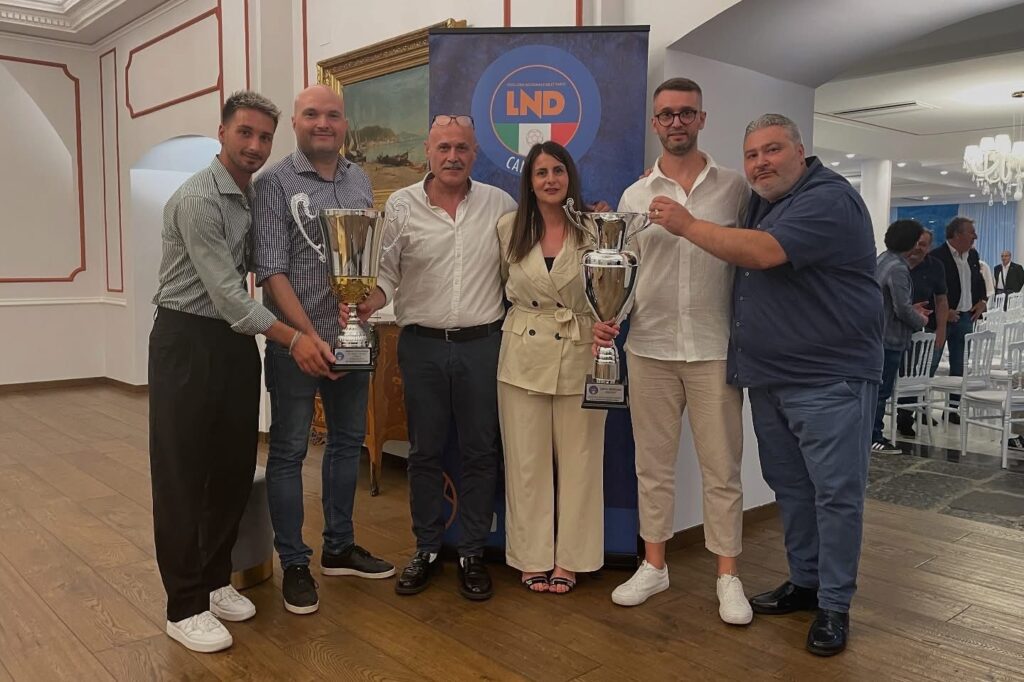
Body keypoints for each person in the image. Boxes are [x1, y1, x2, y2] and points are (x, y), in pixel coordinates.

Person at [636, 113, 882, 656]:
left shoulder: (828, 198)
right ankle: (807, 581)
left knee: (835, 495)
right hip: (770, 377)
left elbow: (764, 253)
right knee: (791, 487)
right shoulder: (763, 202)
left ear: (800, 150)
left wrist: (686, 224)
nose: (760, 163)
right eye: (751, 155)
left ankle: (834, 605)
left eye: (772, 150)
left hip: (828, 377)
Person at [149, 91, 328, 653]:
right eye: (245, 133)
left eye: (264, 137)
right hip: (186, 339)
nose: (255, 145)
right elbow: (230, 298)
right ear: (222, 132)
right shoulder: (200, 198)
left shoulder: (253, 196)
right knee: (183, 473)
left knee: (230, 468)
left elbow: (267, 268)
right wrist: (297, 337)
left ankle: (213, 579)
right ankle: (184, 606)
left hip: (233, 346)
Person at [592, 78, 752, 625]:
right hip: (650, 346)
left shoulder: (735, 189)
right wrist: (609, 316)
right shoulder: (635, 196)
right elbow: (627, 271)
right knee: (652, 466)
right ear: (655, 123)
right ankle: (654, 565)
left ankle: (727, 575)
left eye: (686, 113)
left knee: (722, 468)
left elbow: (749, 255)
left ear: (702, 119)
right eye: (666, 114)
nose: (676, 122)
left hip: (714, 347)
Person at [359, 114, 517, 601]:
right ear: (427, 151)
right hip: (422, 347)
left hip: (483, 346)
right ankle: (427, 548)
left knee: (480, 451)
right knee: (424, 452)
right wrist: (362, 302)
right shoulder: (401, 206)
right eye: (444, 147)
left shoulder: (500, 203)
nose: (453, 156)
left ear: (475, 153)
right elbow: (385, 274)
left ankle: (472, 551)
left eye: (462, 148)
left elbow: (528, 257)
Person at [252, 84, 394, 617]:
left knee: (347, 444)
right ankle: (294, 561)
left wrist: (372, 298)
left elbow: (363, 259)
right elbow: (270, 270)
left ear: (344, 124)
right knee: (290, 451)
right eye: (311, 114)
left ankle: (339, 547)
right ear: (295, 122)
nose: (323, 123)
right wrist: (306, 336)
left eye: (333, 115)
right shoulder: (273, 184)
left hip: (350, 339)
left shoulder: (359, 179)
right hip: (296, 345)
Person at [496, 141, 607, 594]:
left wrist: (610, 320)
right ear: (529, 181)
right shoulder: (508, 228)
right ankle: (532, 556)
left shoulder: (595, 228)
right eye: (541, 172)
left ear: (570, 176)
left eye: (558, 171)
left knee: (581, 461)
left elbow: (619, 286)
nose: (550, 180)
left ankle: (572, 558)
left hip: (581, 349)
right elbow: (496, 287)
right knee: (526, 462)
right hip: (522, 352)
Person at [870, 220, 929, 455]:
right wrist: (921, 320)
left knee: (875, 391)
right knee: (881, 392)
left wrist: (911, 309)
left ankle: (870, 434)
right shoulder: (898, 268)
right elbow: (901, 309)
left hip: (877, 335)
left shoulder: (882, 260)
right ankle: (874, 437)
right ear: (912, 243)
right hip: (889, 338)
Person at [930, 217, 986, 416]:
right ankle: (918, 411)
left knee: (960, 366)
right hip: (942, 319)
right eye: (971, 232)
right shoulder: (937, 256)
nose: (975, 236)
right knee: (930, 364)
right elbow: (929, 289)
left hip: (965, 318)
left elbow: (978, 281)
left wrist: (982, 300)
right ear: (957, 234)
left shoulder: (973, 255)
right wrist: (944, 311)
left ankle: (952, 410)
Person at [896, 228, 948, 438]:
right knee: (887, 375)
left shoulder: (935, 266)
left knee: (912, 375)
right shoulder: (895, 263)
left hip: (917, 330)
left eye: (923, 244)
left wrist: (941, 329)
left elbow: (941, 299)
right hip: (889, 328)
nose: (918, 248)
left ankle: (905, 419)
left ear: (929, 247)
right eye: (916, 243)